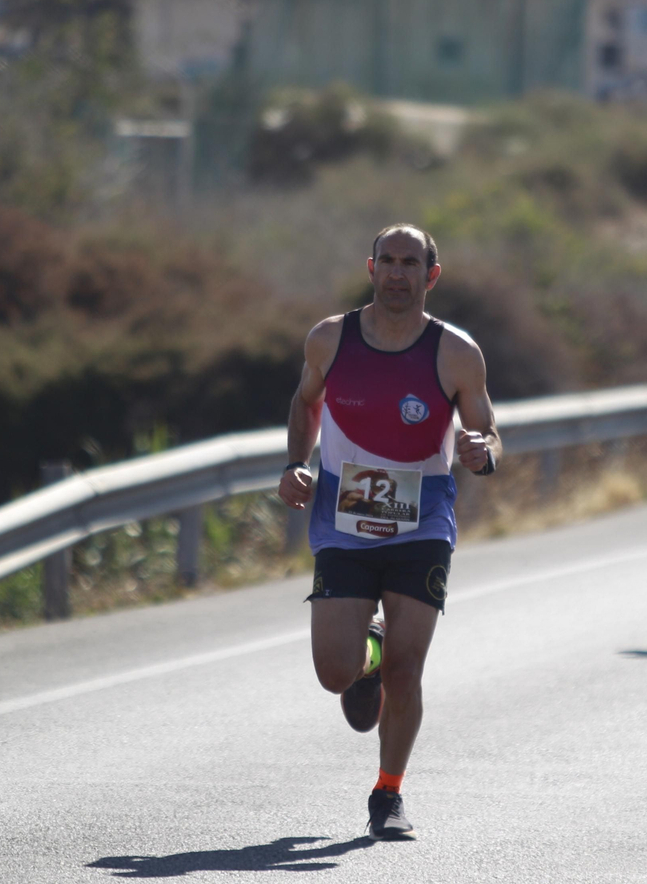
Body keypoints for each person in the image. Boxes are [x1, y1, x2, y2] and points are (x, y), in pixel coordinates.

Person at [277, 224, 500, 840]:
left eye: (411, 263)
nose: (398, 273)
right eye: (388, 261)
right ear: (370, 267)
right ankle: (365, 658)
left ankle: (388, 794)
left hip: (421, 523)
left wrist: (482, 451)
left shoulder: (456, 352)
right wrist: (297, 463)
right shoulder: (330, 338)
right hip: (343, 524)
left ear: (432, 274)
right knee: (333, 672)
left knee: (410, 668)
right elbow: (305, 402)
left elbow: (488, 432)